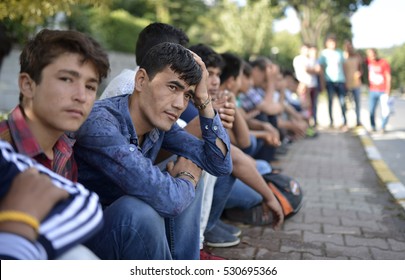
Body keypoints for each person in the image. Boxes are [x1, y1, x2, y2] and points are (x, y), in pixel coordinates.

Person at [72, 42, 232, 260]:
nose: (179, 104)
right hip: (85, 243)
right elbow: (169, 200)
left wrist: (204, 100)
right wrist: (187, 177)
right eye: (173, 87)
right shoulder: (101, 124)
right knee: (137, 210)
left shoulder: (159, 125)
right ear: (141, 80)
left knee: (187, 174)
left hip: (128, 238)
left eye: (188, 95)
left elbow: (220, 164)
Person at [0, 28, 110, 181]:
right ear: (27, 85)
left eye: (90, 87)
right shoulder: (4, 150)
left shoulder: (65, 155)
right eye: (66, 79)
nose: (81, 96)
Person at [0, 140, 103, 260]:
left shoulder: (65, 145)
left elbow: (82, 199)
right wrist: (19, 228)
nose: (84, 119)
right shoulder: (98, 126)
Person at [319, 34, 348, 130]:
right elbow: (321, 69)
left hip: (340, 80)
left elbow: (344, 67)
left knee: (342, 101)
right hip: (329, 80)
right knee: (330, 101)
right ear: (327, 43)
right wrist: (322, 82)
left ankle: (344, 121)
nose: (333, 44)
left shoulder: (340, 53)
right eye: (331, 42)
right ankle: (331, 121)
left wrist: (346, 80)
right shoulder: (324, 54)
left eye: (334, 42)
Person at [366, 48, 392, 133]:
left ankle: (383, 127)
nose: (372, 56)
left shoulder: (383, 62)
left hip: (382, 90)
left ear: (376, 54)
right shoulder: (368, 62)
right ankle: (373, 126)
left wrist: (388, 89)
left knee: (385, 110)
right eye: (369, 55)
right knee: (371, 110)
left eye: (373, 54)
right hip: (372, 90)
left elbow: (388, 76)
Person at [344, 39, 363, 127]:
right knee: (346, 104)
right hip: (346, 83)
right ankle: (345, 121)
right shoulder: (343, 57)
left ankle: (358, 120)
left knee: (357, 103)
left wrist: (359, 73)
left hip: (356, 84)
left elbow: (360, 69)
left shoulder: (357, 57)